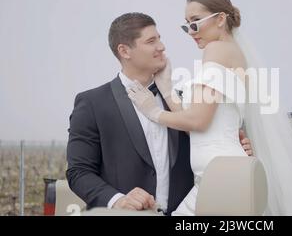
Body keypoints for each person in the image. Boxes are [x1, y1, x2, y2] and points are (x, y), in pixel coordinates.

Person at [127, 0, 292, 215]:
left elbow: (198, 121)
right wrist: (167, 90)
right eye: (186, 25)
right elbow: (198, 127)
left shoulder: (216, 49)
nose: (190, 31)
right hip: (216, 174)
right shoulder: (229, 52)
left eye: (196, 22)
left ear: (220, 19)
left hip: (221, 175)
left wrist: (152, 111)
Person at [66, 12, 253, 215]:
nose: (161, 47)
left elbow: (210, 139)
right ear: (124, 51)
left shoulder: (183, 103)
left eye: (160, 39)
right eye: (151, 41)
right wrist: (119, 201)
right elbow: (79, 172)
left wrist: (236, 146)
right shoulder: (93, 103)